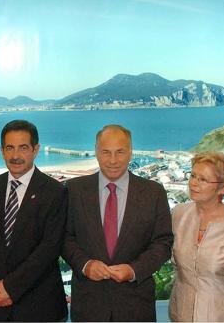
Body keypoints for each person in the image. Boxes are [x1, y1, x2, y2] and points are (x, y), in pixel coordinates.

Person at [63, 124, 173, 321]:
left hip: (136, 306)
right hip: (89, 307)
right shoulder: (74, 190)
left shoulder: (153, 192)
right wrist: (86, 264)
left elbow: (163, 243)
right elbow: (65, 238)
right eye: (106, 152)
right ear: (96, 152)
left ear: (130, 152)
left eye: (120, 152)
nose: (113, 160)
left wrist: (133, 270)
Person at [0, 120, 68, 321]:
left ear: (36, 150)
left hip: (40, 306)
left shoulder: (55, 192)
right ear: (1, 151)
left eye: (23, 148)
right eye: (10, 148)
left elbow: (49, 249)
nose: (15, 156)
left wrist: (10, 288)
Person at [169, 152, 224, 322]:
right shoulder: (179, 214)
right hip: (181, 314)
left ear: (223, 188)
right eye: (193, 175)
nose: (193, 183)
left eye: (203, 179)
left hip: (223, 316)